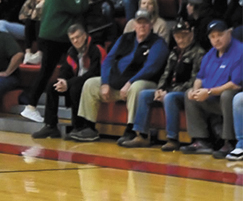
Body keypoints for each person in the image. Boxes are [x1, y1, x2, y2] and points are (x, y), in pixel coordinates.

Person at [70, 9, 168, 143]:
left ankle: (132, 130)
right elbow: (108, 60)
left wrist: (129, 82)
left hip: (145, 83)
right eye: (139, 23)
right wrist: (105, 82)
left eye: (145, 23)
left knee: (136, 86)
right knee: (90, 84)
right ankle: (89, 127)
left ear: (151, 25)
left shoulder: (158, 43)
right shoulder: (125, 38)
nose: (142, 26)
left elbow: (151, 68)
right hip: (118, 81)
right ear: (134, 24)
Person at [20, 0, 89, 124]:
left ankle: (38, 105)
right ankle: (31, 106)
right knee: (50, 72)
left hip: (49, 37)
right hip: (57, 38)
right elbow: (79, 8)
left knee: (57, 71)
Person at [122, 18, 205, 151]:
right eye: (178, 37)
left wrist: (169, 92)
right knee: (144, 95)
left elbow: (194, 80)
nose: (181, 40)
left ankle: (172, 138)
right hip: (169, 89)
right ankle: (142, 135)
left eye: (184, 36)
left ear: (191, 34)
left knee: (169, 98)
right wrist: (160, 88)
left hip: (186, 92)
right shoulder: (173, 52)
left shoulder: (199, 53)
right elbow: (165, 74)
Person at [32, 23, 104, 139]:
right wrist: (62, 81)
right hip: (75, 82)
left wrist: (68, 83)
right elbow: (65, 69)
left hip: (93, 83)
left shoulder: (96, 49)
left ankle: (78, 127)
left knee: (75, 87)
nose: (75, 41)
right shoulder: (72, 51)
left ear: (85, 36)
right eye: (72, 39)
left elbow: (94, 72)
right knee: (52, 86)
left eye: (78, 37)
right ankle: (51, 125)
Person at [182, 20, 243, 155]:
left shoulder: (239, 51)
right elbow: (200, 77)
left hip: (229, 101)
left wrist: (209, 92)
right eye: (213, 37)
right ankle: (202, 140)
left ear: (229, 33)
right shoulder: (210, 54)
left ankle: (229, 142)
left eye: (220, 35)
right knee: (189, 95)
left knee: (228, 95)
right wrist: (195, 89)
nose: (216, 40)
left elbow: (236, 83)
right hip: (212, 98)